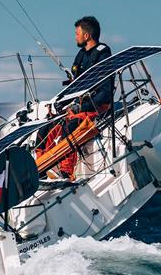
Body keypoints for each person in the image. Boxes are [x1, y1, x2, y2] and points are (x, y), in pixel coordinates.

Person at [37, 16, 114, 178]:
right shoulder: (81, 55)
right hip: (78, 106)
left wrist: (82, 107)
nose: (75, 37)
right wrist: (60, 103)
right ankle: (41, 170)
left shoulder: (103, 56)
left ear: (87, 36)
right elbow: (75, 86)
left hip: (97, 108)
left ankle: (65, 172)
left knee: (70, 128)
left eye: (77, 33)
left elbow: (105, 93)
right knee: (45, 129)